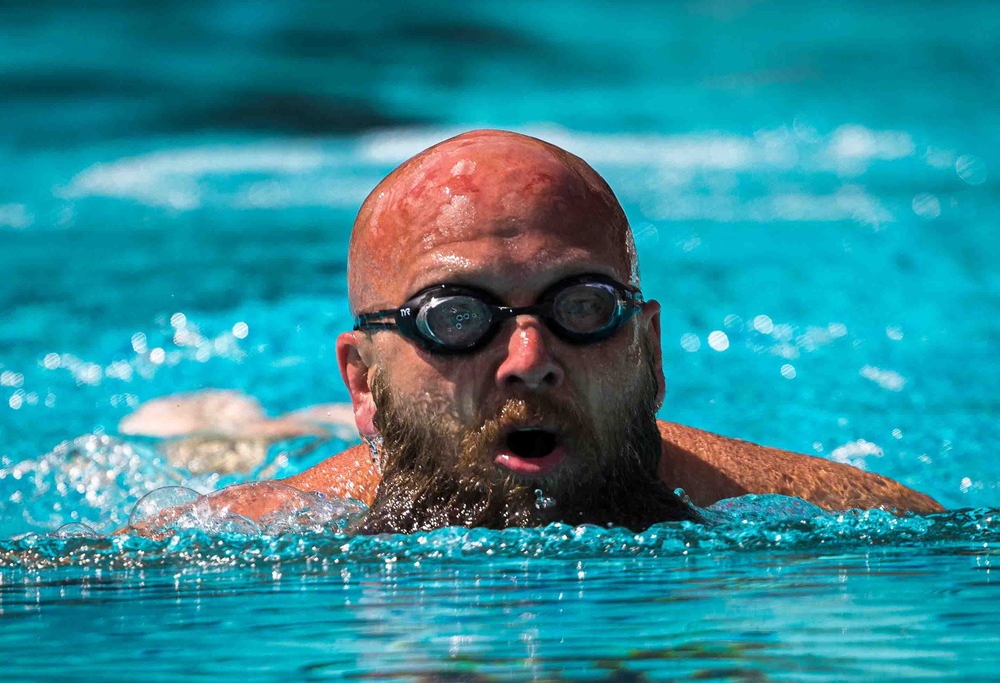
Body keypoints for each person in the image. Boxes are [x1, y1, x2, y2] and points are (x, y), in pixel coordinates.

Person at [128, 129, 942, 534]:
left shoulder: (856, 523)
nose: (529, 360)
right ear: (363, 383)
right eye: (454, 319)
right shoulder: (240, 535)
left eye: (581, 307)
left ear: (650, 353)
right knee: (208, 441)